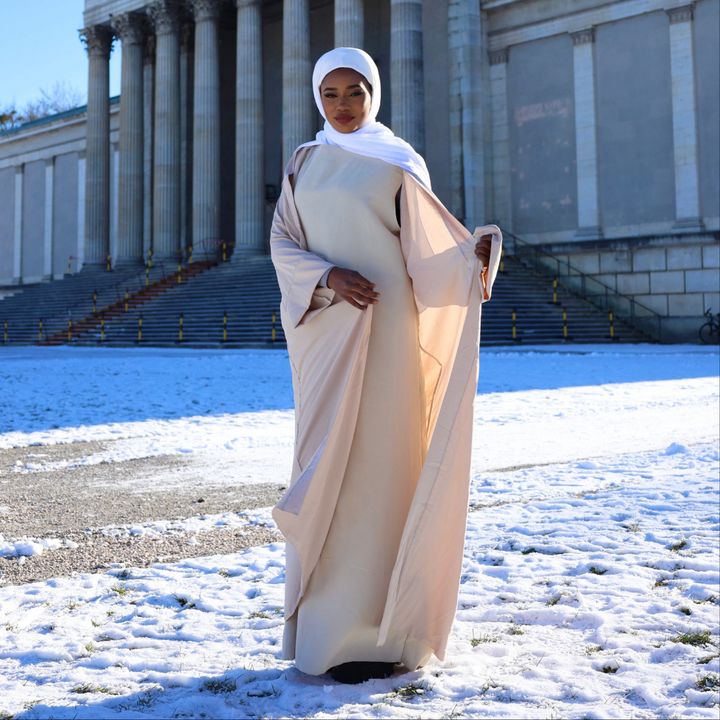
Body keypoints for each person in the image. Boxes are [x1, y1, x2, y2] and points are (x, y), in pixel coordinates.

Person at [270, 47, 502, 685]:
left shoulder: (401, 163)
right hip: (329, 333)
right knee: (332, 478)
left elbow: (431, 253)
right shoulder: (304, 163)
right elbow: (282, 243)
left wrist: (469, 257)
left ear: (374, 95)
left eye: (355, 93)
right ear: (318, 99)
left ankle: (381, 632)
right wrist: (326, 276)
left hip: (392, 332)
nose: (342, 106)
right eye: (331, 95)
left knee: (381, 475)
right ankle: (328, 631)